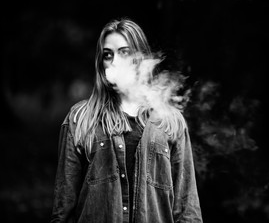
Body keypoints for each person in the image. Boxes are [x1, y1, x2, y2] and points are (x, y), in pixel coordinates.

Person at [50, 17, 203, 223]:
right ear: (100, 62)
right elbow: (63, 209)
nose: (114, 62)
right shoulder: (80, 119)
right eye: (107, 55)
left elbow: (187, 211)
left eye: (124, 52)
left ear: (140, 58)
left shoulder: (170, 121)